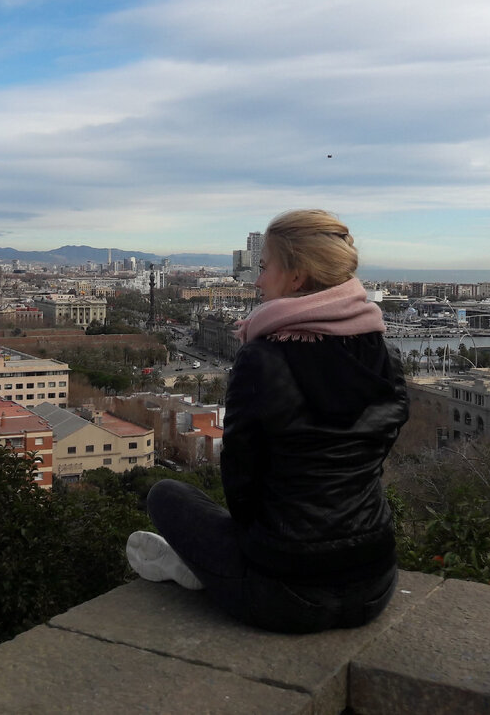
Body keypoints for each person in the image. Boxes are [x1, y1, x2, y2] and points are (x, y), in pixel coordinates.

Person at [126, 209, 409, 633]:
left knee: (165, 494)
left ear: (296, 277)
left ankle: (206, 571)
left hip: (286, 592)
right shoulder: (385, 356)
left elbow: (241, 485)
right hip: (375, 583)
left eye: (264, 268)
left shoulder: (262, 359)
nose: (256, 281)